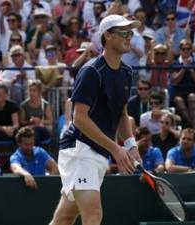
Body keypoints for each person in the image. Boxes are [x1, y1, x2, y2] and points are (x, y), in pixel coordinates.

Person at [49, 15, 142, 225]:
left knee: (64, 218)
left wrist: (130, 145)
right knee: (93, 213)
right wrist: (116, 149)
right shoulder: (91, 72)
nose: (129, 37)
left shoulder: (127, 73)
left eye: (131, 33)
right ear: (107, 36)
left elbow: (120, 112)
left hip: (99, 153)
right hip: (79, 150)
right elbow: (79, 118)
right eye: (123, 33)